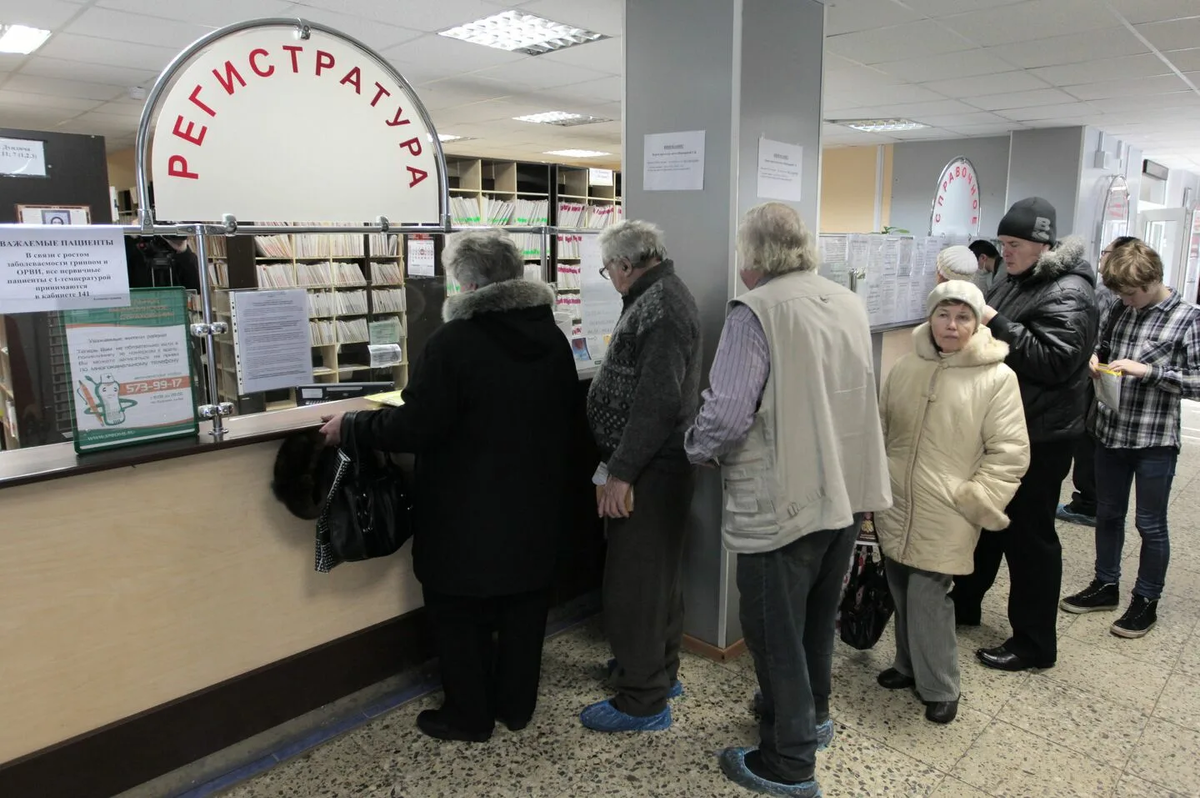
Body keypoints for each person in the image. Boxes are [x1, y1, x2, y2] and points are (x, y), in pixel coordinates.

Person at [318, 229, 581, 742]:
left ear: (465, 280)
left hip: (466, 510)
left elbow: (418, 425)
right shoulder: (551, 336)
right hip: (535, 506)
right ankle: (516, 706)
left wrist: (352, 425)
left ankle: (469, 716)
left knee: (459, 613)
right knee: (525, 609)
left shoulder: (454, 343)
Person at [684, 202, 890, 797]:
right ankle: (812, 716)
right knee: (814, 618)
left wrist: (692, 450)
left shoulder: (757, 312)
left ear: (752, 255)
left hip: (785, 499)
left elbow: (724, 416)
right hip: (846, 492)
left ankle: (788, 761)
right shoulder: (846, 300)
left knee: (773, 629)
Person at [950, 197, 1098, 672]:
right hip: (1008, 427)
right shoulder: (1018, 280)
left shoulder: (1070, 291)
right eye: (1003, 244)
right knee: (988, 520)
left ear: (1042, 244)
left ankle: (1034, 644)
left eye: (1013, 245)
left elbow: (1055, 362)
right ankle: (966, 603)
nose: (1005, 252)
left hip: (1042, 435)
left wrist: (997, 322)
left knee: (1030, 540)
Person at [877, 280, 1029, 725]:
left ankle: (941, 685)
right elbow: (883, 429)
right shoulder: (906, 367)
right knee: (901, 589)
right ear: (930, 317)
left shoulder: (997, 378)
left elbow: (1010, 452)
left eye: (963, 316)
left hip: (948, 508)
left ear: (978, 321)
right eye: (944, 314)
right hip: (897, 500)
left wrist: (976, 499)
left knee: (929, 597)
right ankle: (908, 666)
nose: (951, 325)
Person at [581, 219, 702, 733]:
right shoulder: (657, 296)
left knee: (634, 584)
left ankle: (643, 699)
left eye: (608, 267)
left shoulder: (662, 306)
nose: (608, 276)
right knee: (656, 581)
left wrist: (623, 474)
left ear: (626, 266)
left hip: (651, 468)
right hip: (651, 464)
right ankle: (655, 670)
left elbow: (657, 401)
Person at [1060, 240, 1200, 638]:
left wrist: (1148, 372)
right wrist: (1096, 362)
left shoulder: (1188, 318)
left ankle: (1146, 600)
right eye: (1120, 294)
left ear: (1154, 279)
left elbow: (1197, 382)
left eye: (1132, 293)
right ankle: (1106, 585)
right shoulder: (1121, 307)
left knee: (1150, 524)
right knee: (1107, 515)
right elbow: (1104, 347)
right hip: (1110, 432)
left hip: (1153, 439)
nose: (1127, 301)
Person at [1058, 235, 1141, 527]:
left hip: (1113, 391)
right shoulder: (1114, 297)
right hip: (1102, 379)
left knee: (1089, 444)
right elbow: (1100, 338)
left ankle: (1088, 503)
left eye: (1106, 252)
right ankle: (1092, 503)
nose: (1102, 257)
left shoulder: (1111, 293)